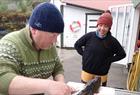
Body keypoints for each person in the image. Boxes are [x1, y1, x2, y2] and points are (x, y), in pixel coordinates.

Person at [0, 2, 74, 95]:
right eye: (53, 35)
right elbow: (2, 79)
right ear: (34, 30)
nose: (55, 41)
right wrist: (49, 86)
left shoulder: (50, 46)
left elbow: (57, 67)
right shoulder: (10, 44)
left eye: (58, 35)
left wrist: (61, 85)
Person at [74, 10, 126, 86]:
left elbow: (122, 54)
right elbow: (77, 45)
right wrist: (84, 54)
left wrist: (109, 60)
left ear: (109, 28)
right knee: (85, 91)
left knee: (100, 91)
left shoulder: (112, 41)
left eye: (106, 26)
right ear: (97, 25)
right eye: (100, 25)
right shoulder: (89, 36)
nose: (102, 28)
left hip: (102, 74)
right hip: (87, 72)